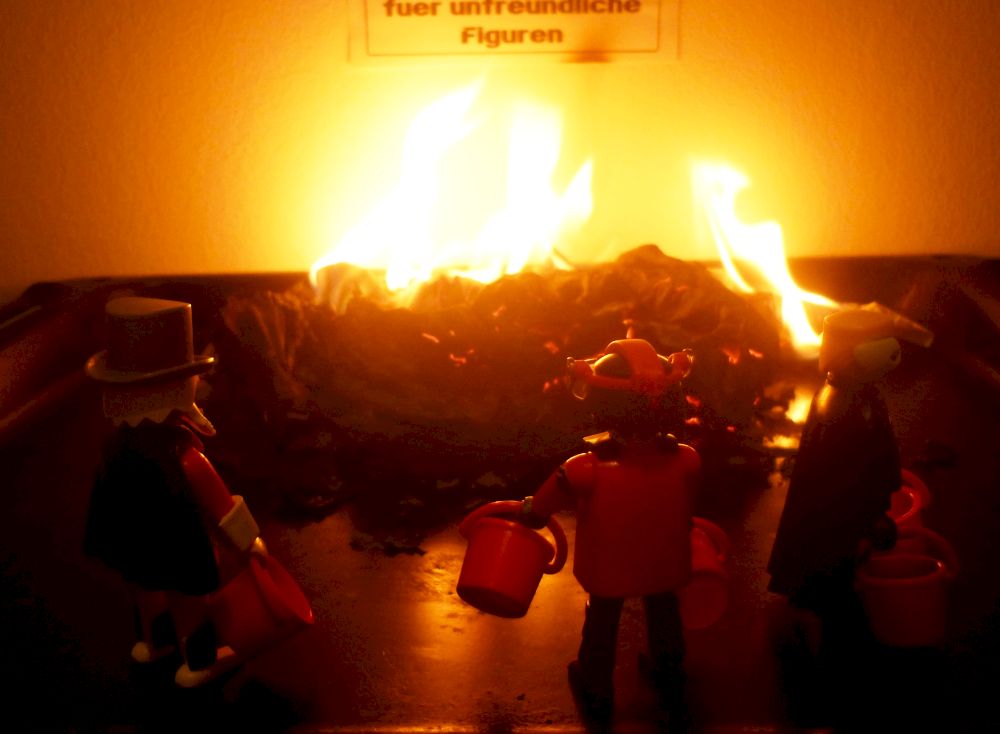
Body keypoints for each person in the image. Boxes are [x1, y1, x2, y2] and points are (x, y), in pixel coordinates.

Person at [84, 296, 265, 687]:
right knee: (188, 602)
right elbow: (217, 499)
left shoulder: (114, 446)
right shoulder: (181, 451)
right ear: (176, 387)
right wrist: (249, 541)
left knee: (145, 591)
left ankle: (152, 643)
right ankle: (197, 662)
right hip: (176, 546)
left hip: (130, 542)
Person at [520, 339, 700, 724]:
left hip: (609, 566)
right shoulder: (685, 459)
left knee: (602, 620)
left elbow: (543, 504)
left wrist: (530, 512)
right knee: (664, 610)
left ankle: (596, 683)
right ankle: (669, 670)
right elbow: (689, 500)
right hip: (665, 560)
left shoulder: (585, 468)